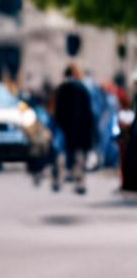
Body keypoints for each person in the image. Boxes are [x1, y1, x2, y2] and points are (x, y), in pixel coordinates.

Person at [52, 62, 94, 194]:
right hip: (81, 129)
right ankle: (80, 183)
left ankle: (59, 180)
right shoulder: (83, 89)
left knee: (62, 154)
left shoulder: (61, 89)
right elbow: (89, 112)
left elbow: (57, 111)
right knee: (79, 157)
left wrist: (58, 125)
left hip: (65, 128)